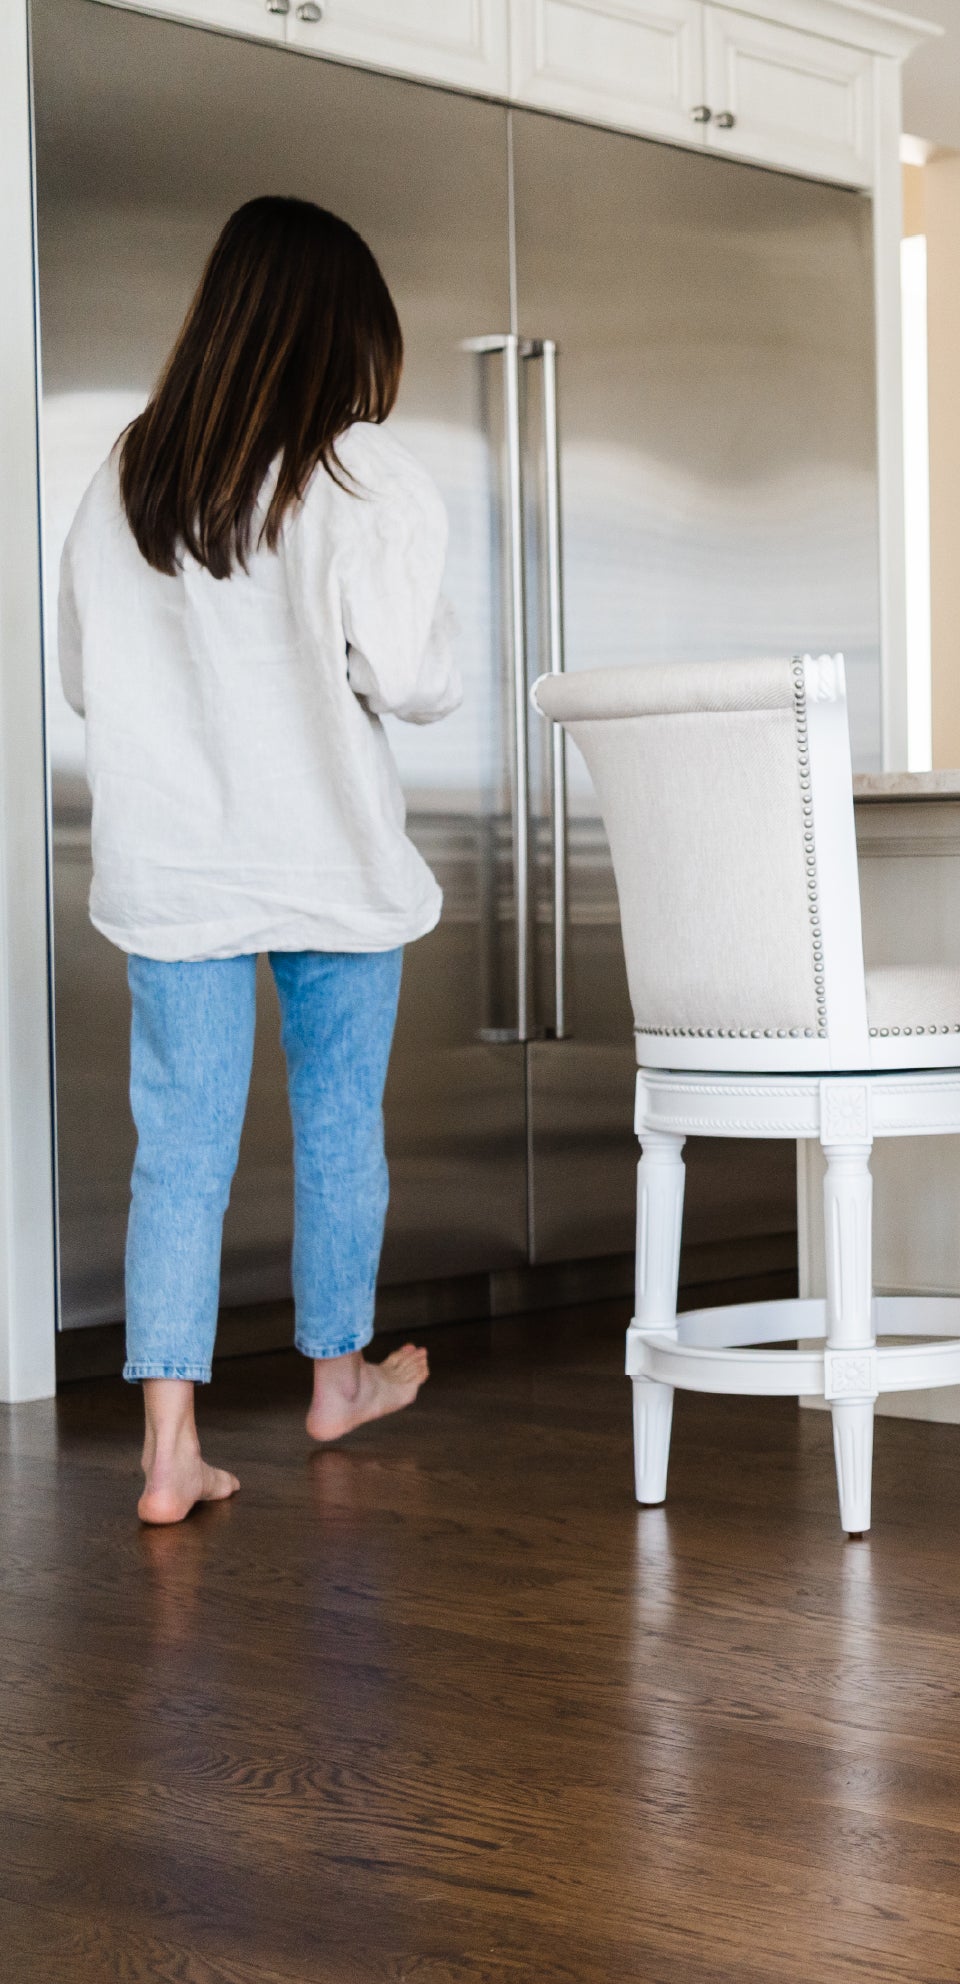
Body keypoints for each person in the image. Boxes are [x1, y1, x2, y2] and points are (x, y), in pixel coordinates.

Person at [58, 195, 460, 1525]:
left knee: (178, 1149)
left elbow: (79, 675)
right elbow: (412, 682)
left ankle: (168, 1453)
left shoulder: (127, 469)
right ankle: (334, 1382)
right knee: (337, 1122)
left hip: (174, 870)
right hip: (331, 864)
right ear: (345, 335)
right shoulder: (361, 476)